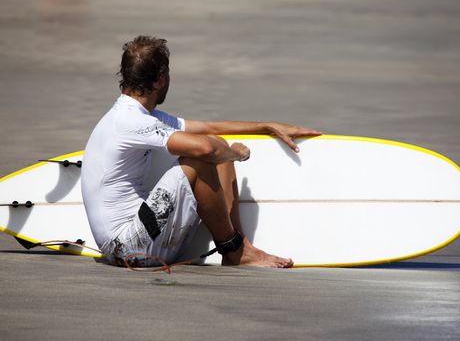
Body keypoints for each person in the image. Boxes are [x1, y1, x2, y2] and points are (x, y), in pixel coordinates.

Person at [81, 35, 322, 268]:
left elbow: (209, 129)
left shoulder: (137, 115)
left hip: (138, 242)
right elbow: (205, 148)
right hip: (125, 249)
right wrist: (235, 154)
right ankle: (235, 250)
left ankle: (240, 246)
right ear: (160, 80)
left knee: (215, 144)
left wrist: (267, 126)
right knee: (203, 156)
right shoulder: (130, 121)